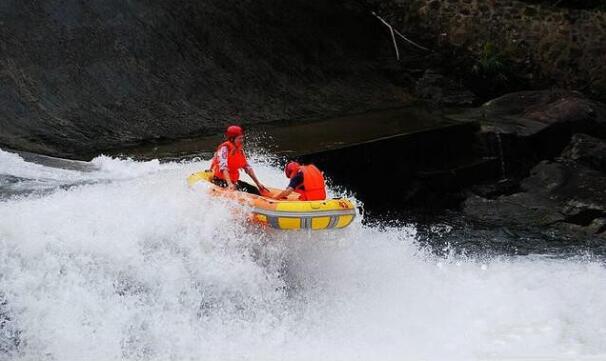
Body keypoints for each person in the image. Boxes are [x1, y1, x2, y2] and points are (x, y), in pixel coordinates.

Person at [209, 125, 267, 195]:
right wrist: (230, 184)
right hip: (220, 181)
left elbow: (247, 167)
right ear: (232, 139)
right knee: (239, 192)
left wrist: (258, 183)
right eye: (239, 138)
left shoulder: (240, 150)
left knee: (254, 190)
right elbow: (223, 167)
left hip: (233, 181)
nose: (242, 141)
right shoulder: (225, 149)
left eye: (242, 138)